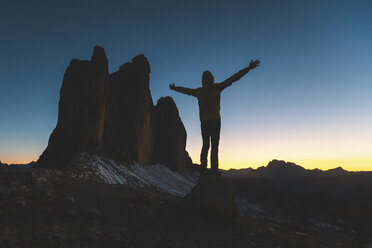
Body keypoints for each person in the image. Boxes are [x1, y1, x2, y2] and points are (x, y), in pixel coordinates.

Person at [170, 59, 260, 175]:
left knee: (205, 145)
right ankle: (213, 171)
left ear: (202, 80)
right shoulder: (217, 87)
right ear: (212, 78)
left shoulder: (199, 91)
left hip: (204, 122)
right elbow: (234, 78)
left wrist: (175, 88)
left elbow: (186, 90)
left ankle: (203, 169)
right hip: (215, 120)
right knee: (214, 146)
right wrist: (248, 68)